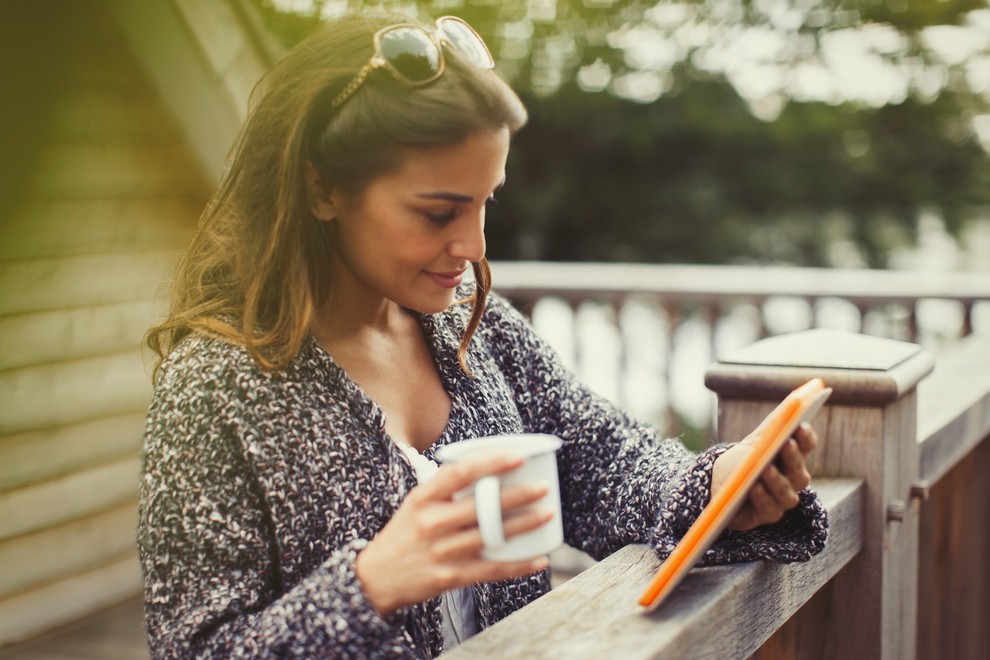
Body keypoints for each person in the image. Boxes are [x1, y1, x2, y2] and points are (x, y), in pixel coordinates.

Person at [139, 10, 827, 659]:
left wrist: (717, 486)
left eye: (484, 202)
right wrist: (369, 586)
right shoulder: (215, 389)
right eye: (439, 212)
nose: (471, 245)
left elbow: (600, 465)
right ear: (322, 191)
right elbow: (198, 647)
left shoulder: (473, 322)